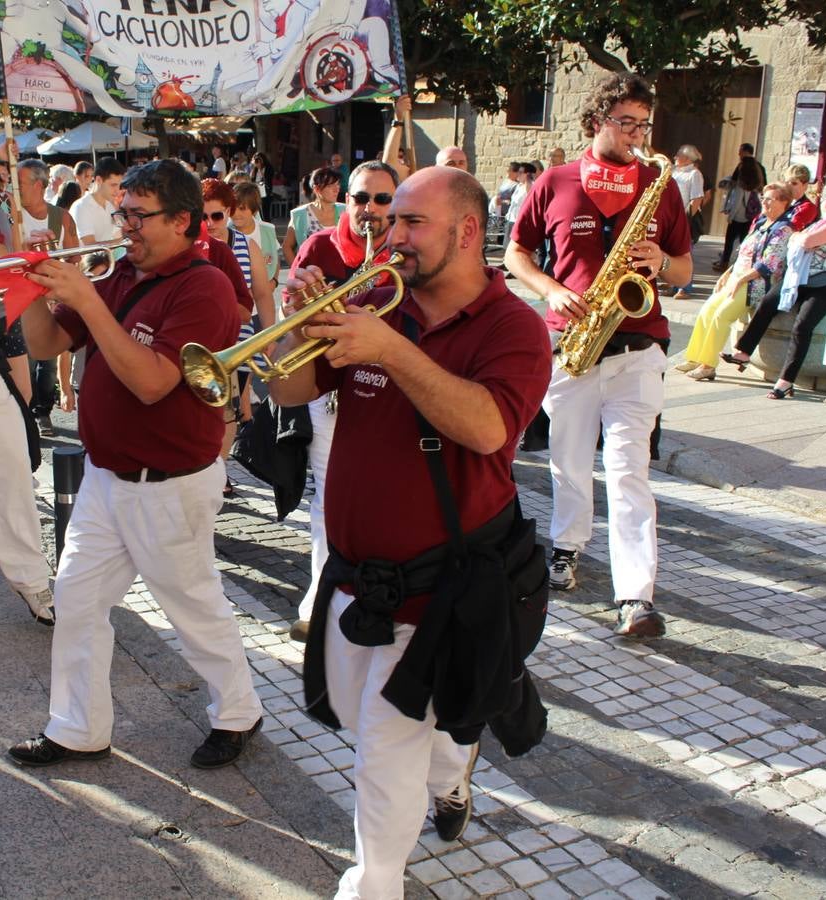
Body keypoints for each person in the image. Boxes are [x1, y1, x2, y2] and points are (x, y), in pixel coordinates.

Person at [269, 165, 551, 898]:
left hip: (441, 589)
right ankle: (456, 768)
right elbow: (290, 388)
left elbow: (489, 429)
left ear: (465, 232)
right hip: (358, 578)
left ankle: (374, 884)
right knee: (393, 735)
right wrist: (295, 326)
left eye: (409, 223)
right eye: (388, 220)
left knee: (382, 757)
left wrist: (391, 352)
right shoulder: (375, 299)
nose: (388, 235)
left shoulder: (512, 327)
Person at [7, 160, 264, 771]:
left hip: (167, 482)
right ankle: (78, 729)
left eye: (138, 216)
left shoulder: (204, 288)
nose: (125, 228)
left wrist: (88, 301)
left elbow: (152, 382)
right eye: (122, 212)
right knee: (76, 599)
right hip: (106, 476)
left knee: (192, 606)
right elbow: (45, 344)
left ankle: (238, 712)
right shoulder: (122, 273)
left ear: (182, 221)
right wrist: (31, 285)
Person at [505, 72, 692, 639]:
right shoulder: (556, 181)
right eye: (626, 122)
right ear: (596, 121)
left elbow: (684, 269)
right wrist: (550, 289)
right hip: (573, 344)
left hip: (639, 347)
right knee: (567, 458)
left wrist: (660, 261)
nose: (637, 134)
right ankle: (566, 548)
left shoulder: (661, 186)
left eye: (643, 124)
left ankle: (636, 595)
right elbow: (516, 253)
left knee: (628, 469)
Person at [285, 160, 400, 642]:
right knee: (328, 499)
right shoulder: (320, 246)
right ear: (345, 201)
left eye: (381, 200)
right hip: (330, 392)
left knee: (387, 497)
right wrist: (301, 303)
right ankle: (320, 594)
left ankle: (382, 591)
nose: (369, 210)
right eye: (360, 198)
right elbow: (291, 314)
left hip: (389, 393)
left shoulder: (404, 252)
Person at [722, 181, 826, 398]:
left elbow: (806, 240)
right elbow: (797, 238)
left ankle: (786, 380)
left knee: (802, 326)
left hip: (825, 284)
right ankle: (744, 351)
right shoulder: (824, 220)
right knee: (768, 303)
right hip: (798, 279)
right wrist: (800, 239)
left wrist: (802, 239)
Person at [202, 178, 276, 495]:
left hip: (238, 343)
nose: (209, 224)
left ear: (229, 212)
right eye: (203, 216)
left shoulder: (247, 246)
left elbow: (262, 294)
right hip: (197, 344)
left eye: (216, 216)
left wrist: (270, 335)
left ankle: (216, 472)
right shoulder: (190, 243)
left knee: (228, 412)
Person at [679, 183, 794, 382]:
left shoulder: (783, 229)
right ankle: (696, 357)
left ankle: (708, 365)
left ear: (784, 202)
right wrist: (728, 273)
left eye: (770, 199)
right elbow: (744, 252)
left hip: (753, 284)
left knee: (722, 316)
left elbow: (768, 264)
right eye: (764, 198)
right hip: (737, 277)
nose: (764, 202)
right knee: (707, 311)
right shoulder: (760, 222)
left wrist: (740, 279)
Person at [16, 158, 79, 435]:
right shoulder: (10, 213)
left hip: (51, 297)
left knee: (48, 362)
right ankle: (26, 414)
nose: (14, 191)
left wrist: (61, 282)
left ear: (39, 186)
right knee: (24, 361)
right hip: (21, 298)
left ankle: (43, 412)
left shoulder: (61, 217)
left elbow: (75, 257)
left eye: (19, 185)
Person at [283, 165, 343, 265]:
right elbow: (287, 246)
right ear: (317, 189)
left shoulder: (345, 211)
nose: (336, 189)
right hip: (310, 276)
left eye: (337, 184)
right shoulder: (301, 214)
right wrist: (297, 270)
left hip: (343, 275)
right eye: (330, 186)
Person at [715, 157, 766, 272]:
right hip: (750, 217)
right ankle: (742, 264)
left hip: (738, 217)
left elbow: (737, 202)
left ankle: (725, 263)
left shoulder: (741, 185)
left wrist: (730, 217)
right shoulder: (757, 184)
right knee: (744, 242)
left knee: (729, 242)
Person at [670, 145, 706, 299]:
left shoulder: (694, 174)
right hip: (671, 218)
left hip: (684, 219)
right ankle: (673, 283)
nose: (675, 157)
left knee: (684, 252)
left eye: (678, 155)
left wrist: (685, 219)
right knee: (671, 251)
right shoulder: (674, 171)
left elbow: (697, 198)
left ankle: (685, 287)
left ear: (687, 158)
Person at [231, 180, 281, 284]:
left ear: (254, 210)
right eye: (232, 208)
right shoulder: (226, 232)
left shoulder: (268, 230)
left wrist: (274, 282)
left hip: (264, 290)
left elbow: (275, 259)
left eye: (242, 209)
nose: (236, 213)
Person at [71, 156, 126, 246]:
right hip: (89, 259)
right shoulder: (81, 207)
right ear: (98, 180)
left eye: (119, 185)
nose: (117, 190)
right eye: (113, 185)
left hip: (108, 258)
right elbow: (89, 246)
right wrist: (123, 241)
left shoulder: (110, 205)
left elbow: (118, 234)